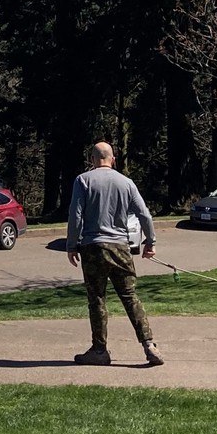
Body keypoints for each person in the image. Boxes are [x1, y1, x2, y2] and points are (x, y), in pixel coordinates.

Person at [66, 140, 163, 367]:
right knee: (130, 296)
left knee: (97, 299)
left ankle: (99, 350)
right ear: (113, 159)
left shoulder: (83, 180)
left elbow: (75, 215)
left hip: (93, 247)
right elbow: (144, 214)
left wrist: (71, 245)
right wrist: (150, 242)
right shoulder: (126, 182)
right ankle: (149, 345)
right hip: (120, 247)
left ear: (92, 159)